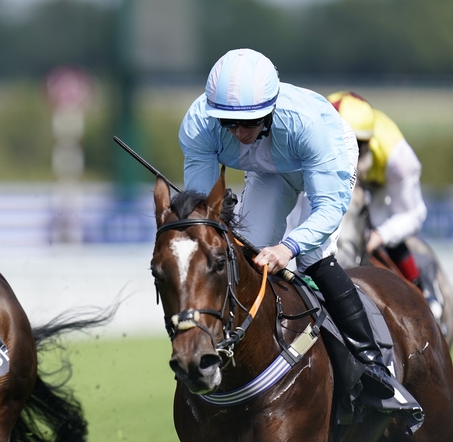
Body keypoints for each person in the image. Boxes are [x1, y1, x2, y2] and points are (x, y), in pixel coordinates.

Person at [178, 48, 395, 399]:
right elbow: (203, 212)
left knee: (313, 256)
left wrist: (288, 247)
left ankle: (373, 365)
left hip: (325, 155)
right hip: (269, 171)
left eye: (249, 122)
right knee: (246, 252)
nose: (238, 132)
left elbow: (328, 208)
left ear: (270, 110)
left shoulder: (305, 124)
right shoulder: (199, 124)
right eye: (227, 123)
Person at [327, 91, 439, 318]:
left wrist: (380, 236)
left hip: (381, 187)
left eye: (355, 145)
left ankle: (425, 296)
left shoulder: (398, 157)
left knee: (380, 222)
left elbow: (414, 214)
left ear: (368, 144)